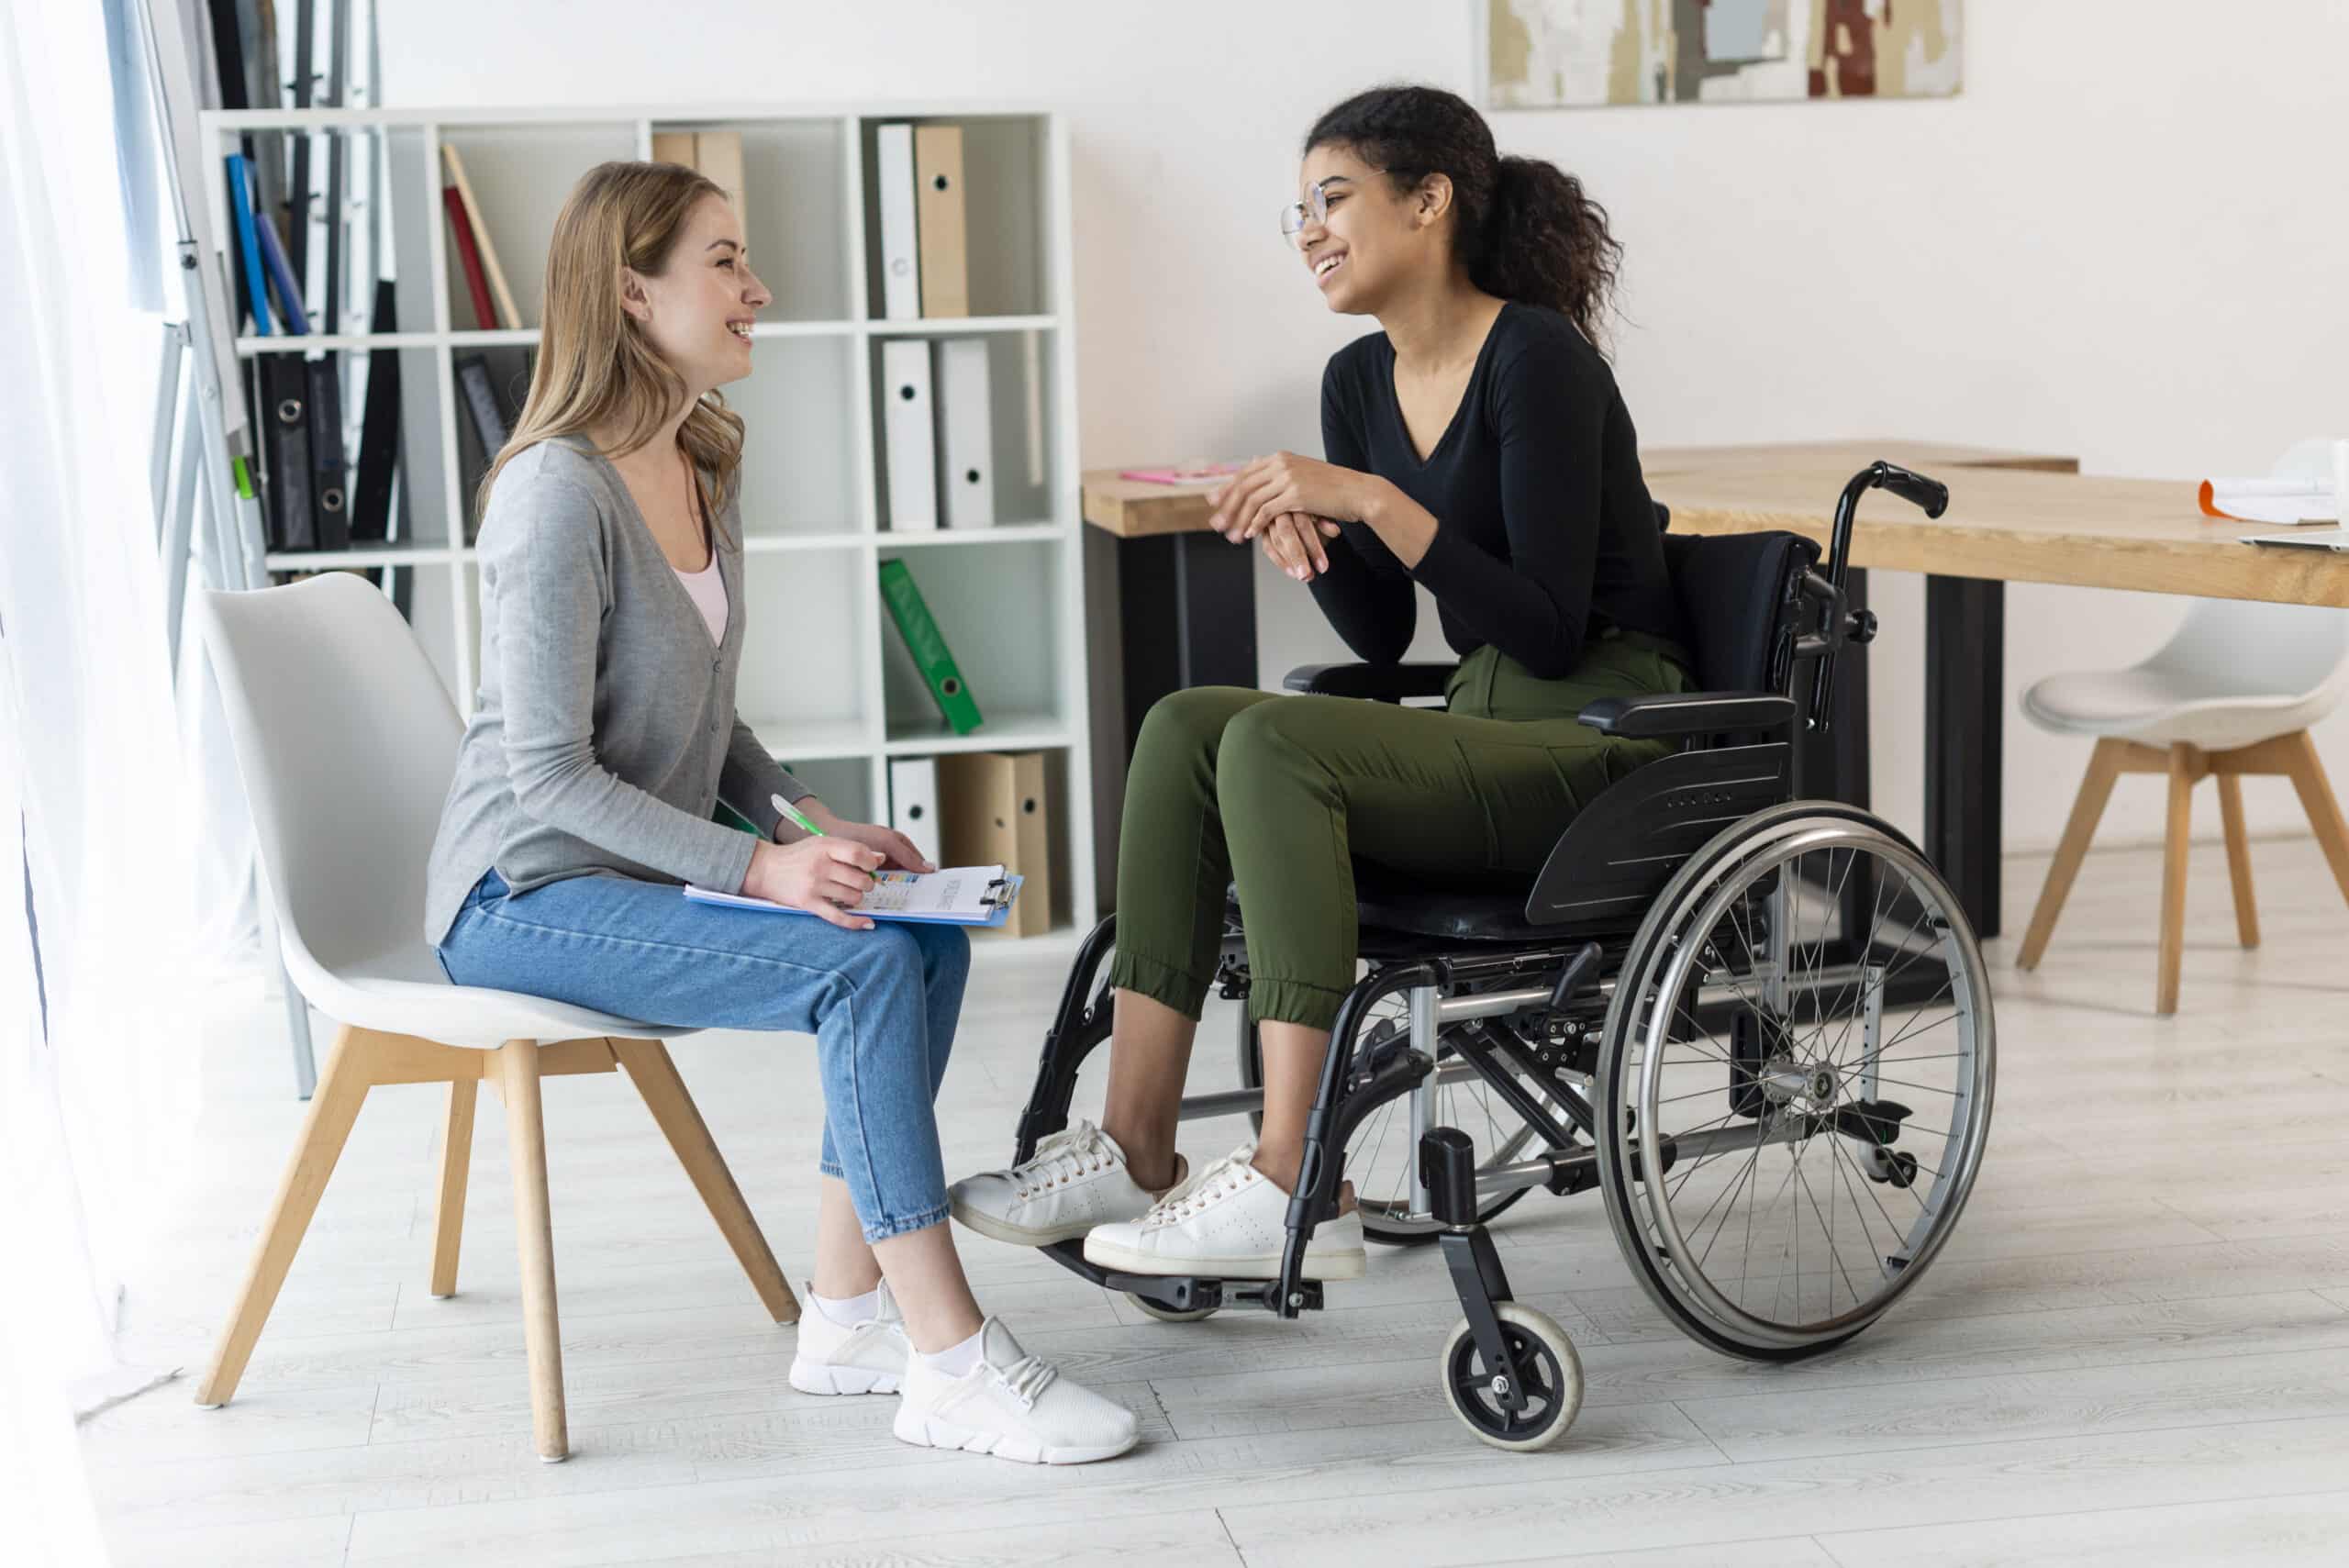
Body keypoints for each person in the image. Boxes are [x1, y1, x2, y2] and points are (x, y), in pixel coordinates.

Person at [423, 161, 1136, 1465]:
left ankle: (847, 1318)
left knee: (919, 939)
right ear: (634, 293)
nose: (760, 289)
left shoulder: (699, 460)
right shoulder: (552, 492)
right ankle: (953, 1360)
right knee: (863, 971)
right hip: (522, 893)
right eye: (725, 262)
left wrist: (822, 825)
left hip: (629, 871)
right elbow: (548, 776)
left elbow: (715, 728)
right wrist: (763, 870)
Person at [950, 84, 1691, 1282]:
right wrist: (1315, 538)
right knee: (1191, 721)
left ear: (1429, 201)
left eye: (1332, 198)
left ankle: (1298, 1169)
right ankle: (1138, 1144)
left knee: (1276, 744)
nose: (1308, 230)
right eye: (1296, 210)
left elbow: (1550, 630)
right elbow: (1388, 632)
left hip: (1604, 736)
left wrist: (1369, 501)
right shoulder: (1357, 381)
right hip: (1484, 727)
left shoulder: (1537, 359)